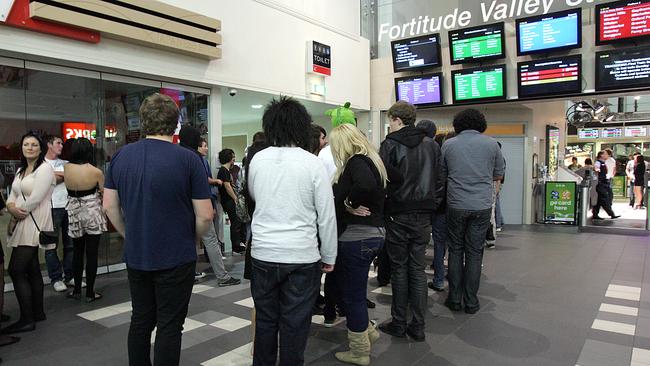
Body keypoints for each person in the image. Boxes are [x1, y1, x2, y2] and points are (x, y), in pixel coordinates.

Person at [103, 93, 214, 366]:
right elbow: (206, 214)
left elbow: (109, 207)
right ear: (175, 123)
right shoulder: (189, 160)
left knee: (140, 319)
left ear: (142, 121)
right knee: (170, 325)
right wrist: (194, 238)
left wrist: (129, 234)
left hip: (137, 253)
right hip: (177, 254)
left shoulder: (120, 157)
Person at [247, 96, 337, 365]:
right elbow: (326, 215)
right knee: (295, 324)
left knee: (265, 321)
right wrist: (329, 255)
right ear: (301, 127)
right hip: (301, 256)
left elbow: (254, 197)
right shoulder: (312, 163)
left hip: (263, 252)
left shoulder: (258, 160)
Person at [378, 101, 442, 342]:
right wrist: (431, 205)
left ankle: (399, 322)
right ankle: (418, 325)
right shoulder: (431, 146)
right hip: (423, 214)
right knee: (417, 270)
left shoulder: (390, 144)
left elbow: (383, 180)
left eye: (390, 120)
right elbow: (439, 180)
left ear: (396, 119)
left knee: (399, 268)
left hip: (397, 213)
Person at [329, 124, 388, 365]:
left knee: (351, 295)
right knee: (353, 290)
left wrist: (349, 203)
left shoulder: (356, 162)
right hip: (374, 234)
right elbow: (397, 178)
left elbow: (364, 185)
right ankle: (367, 332)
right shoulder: (373, 160)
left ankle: (359, 350)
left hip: (356, 237)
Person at [442, 109, 505, 315]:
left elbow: (442, 173)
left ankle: (454, 299)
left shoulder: (448, 145)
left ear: (458, 124)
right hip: (481, 205)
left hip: (456, 204)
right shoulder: (492, 144)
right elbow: (498, 174)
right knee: (475, 253)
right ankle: (471, 301)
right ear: (481, 123)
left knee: (455, 250)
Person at [3, 131, 55, 334]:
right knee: (32, 268)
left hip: (35, 221)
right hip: (25, 220)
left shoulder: (44, 169)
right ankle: (37, 313)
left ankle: (27, 319)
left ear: (41, 148)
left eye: (34, 145)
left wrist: (15, 214)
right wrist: (10, 207)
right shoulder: (21, 170)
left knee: (16, 269)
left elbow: (35, 198)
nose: (30, 148)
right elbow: (12, 194)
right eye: (26, 144)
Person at [179, 126, 240, 287]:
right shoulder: (195, 159)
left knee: (188, 241)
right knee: (211, 240)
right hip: (198, 207)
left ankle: (188, 274)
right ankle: (223, 277)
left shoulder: (175, 156)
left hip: (182, 208)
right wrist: (209, 205)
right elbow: (200, 185)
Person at [63, 138, 107, 302]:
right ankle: (90, 292)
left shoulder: (67, 168)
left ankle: (76, 291)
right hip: (92, 212)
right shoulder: (95, 171)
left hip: (74, 211)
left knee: (77, 251)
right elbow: (103, 193)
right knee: (92, 253)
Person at [43, 134, 74, 292]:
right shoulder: (41, 164)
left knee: (70, 244)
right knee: (51, 246)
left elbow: (72, 177)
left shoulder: (66, 163)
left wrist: (56, 176)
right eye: (58, 143)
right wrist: (58, 176)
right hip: (50, 208)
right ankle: (56, 278)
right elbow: (42, 180)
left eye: (61, 143)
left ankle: (70, 276)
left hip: (68, 206)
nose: (61, 146)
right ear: (49, 144)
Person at [427, 132, 454, 293]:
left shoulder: (439, 161)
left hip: (441, 208)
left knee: (439, 244)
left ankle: (438, 280)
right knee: (456, 246)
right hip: (457, 207)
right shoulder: (461, 163)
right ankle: (454, 276)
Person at [217, 148, 246, 254]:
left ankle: (238, 245)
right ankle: (236, 247)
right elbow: (227, 186)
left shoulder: (226, 170)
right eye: (233, 156)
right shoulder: (223, 170)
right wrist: (235, 198)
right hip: (229, 201)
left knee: (237, 222)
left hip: (229, 200)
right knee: (235, 223)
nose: (234, 158)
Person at [593, 150, 620, 220]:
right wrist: (597, 170)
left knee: (599, 199)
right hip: (600, 183)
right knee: (604, 198)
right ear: (601, 155)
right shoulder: (598, 162)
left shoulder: (603, 163)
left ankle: (595, 214)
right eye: (605, 154)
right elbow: (596, 168)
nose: (607, 155)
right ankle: (611, 214)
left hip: (603, 182)